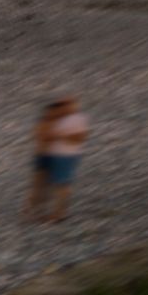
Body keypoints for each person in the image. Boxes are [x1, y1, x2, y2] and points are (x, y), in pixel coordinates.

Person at [26, 96, 90, 224]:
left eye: (65, 104)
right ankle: (35, 212)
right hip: (48, 154)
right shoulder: (52, 117)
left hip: (65, 156)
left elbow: (79, 138)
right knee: (41, 185)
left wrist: (57, 136)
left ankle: (58, 214)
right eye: (60, 105)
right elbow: (40, 134)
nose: (63, 108)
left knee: (61, 184)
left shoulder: (77, 119)